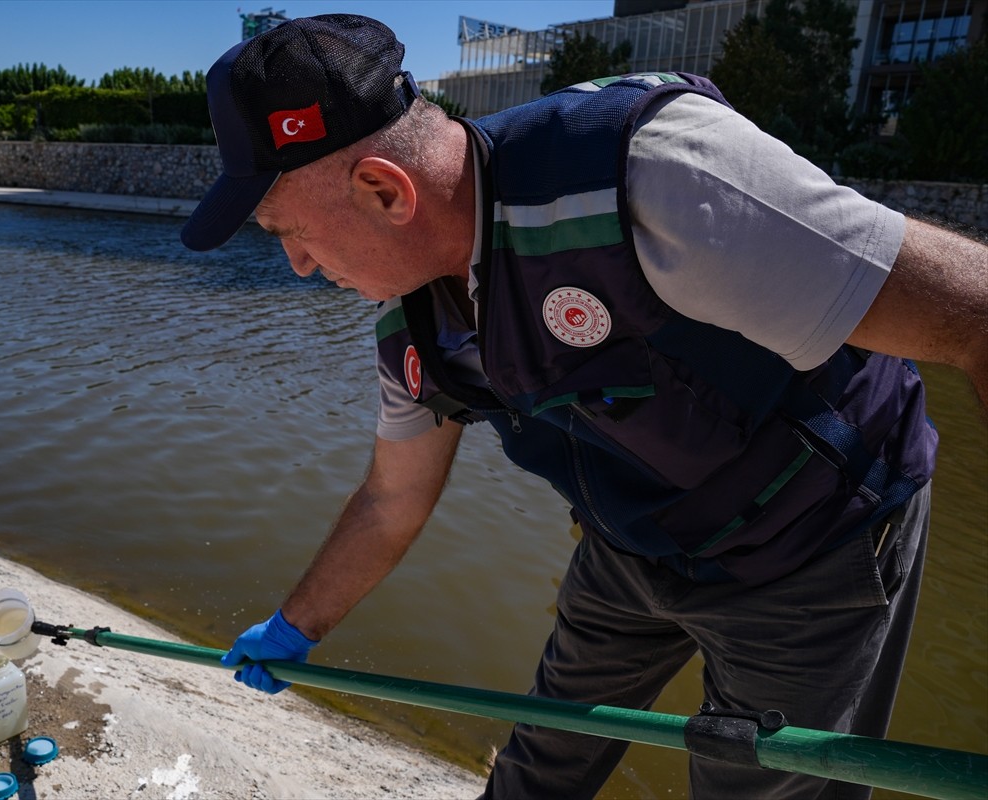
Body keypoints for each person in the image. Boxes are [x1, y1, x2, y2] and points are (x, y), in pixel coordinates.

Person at [179, 13, 988, 799]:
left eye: (289, 231)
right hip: (632, 541)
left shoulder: (657, 176)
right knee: (544, 754)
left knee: (760, 781)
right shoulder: (410, 324)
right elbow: (393, 499)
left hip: (809, 544)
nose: (297, 266)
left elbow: (976, 318)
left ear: (384, 191)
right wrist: (297, 627)